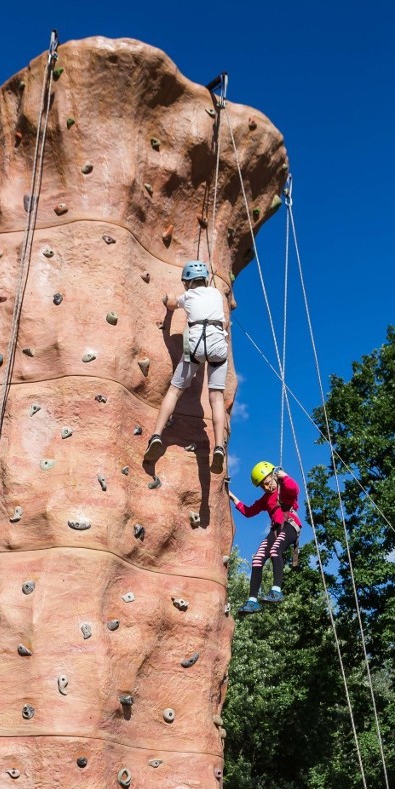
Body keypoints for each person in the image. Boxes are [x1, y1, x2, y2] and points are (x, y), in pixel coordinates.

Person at [143, 261, 229, 474]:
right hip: (218, 341)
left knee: (174, 391)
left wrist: (166, 298)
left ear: (186, 282)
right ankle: (218, 446)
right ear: (205, 279)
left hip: (196, 341)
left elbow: (171, 303)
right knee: (216, 397)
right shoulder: (216, 294)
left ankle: (156, 435)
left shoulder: (188, 296)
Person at [229, 462, 301, 615]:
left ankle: (276, 591)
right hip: (275, 530)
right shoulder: (266, 499)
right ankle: (252, 601)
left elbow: (295, 489)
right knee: (257, 559)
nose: (267, 488)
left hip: (290, 525)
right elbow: (249, 512)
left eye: (268, 483)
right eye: (263, 486)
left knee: (276, 551)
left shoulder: (284, 489)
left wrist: (284, 476)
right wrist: (231, 496)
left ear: (274, 477)